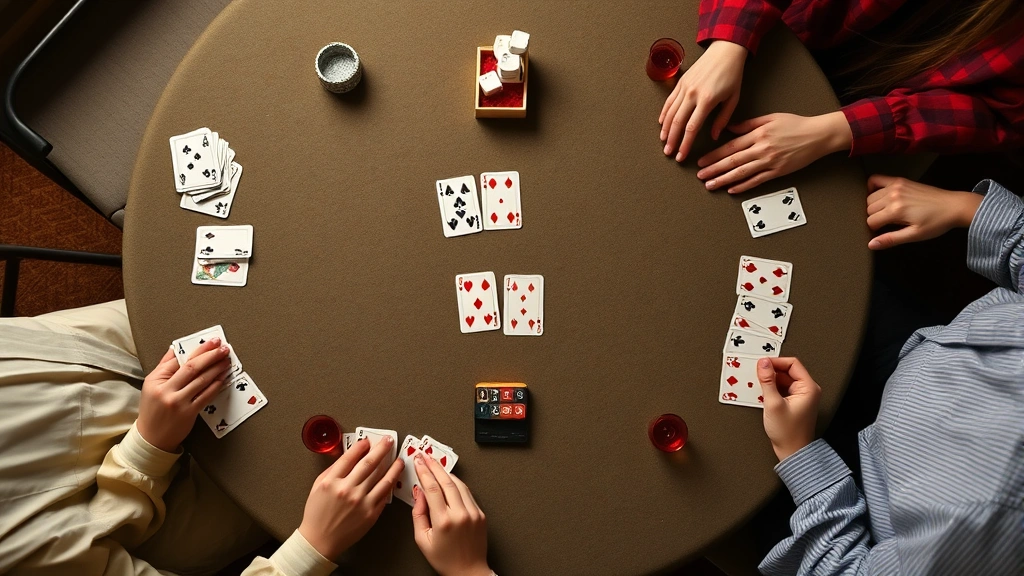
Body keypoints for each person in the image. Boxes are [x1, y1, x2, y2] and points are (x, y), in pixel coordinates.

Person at [0, 303, 493, 576]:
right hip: (188, 494)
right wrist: (314, 545)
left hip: (112, 345)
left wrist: (149, 434)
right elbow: (94, 538)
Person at [752, 177, 1024, 574]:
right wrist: (968, 208)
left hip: (849, 495)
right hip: (923, 352)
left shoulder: (987, 527)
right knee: (819, 269)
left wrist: (800, 454)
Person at [659, 0, 1024, 194]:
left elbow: (1001, 114)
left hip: (871, 116)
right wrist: (729, 41)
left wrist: (836, 131)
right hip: (781, 30)